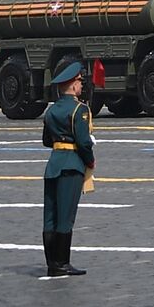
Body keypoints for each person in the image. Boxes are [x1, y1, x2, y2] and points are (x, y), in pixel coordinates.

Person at [41, 61, 94, 278]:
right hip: (72, 165)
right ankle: (62, 263)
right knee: (66, 216)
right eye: (80, 82)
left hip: (53, 164)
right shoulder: (79, 110)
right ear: (72, 86)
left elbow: (46, 141)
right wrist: (90, 160)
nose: (81, 86)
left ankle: (52, 263)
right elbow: (83, 142)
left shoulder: (51, 110)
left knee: (50, 216)